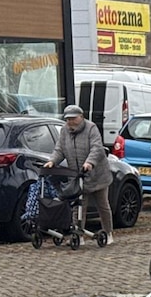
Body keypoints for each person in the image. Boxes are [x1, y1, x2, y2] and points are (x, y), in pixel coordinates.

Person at [44, 104, 113, 244]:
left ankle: (108, 232)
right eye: (68, 119)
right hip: (77, 176)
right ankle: (78, 236)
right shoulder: (64, 130)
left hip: (97, 174)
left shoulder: (91, 128)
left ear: (81, 117)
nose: (70, 122)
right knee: (78, 206)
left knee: (103, 205)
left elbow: (96, 148)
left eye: (73, 118)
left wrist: (89, 163)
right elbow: (60, 149)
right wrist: (52, 161)